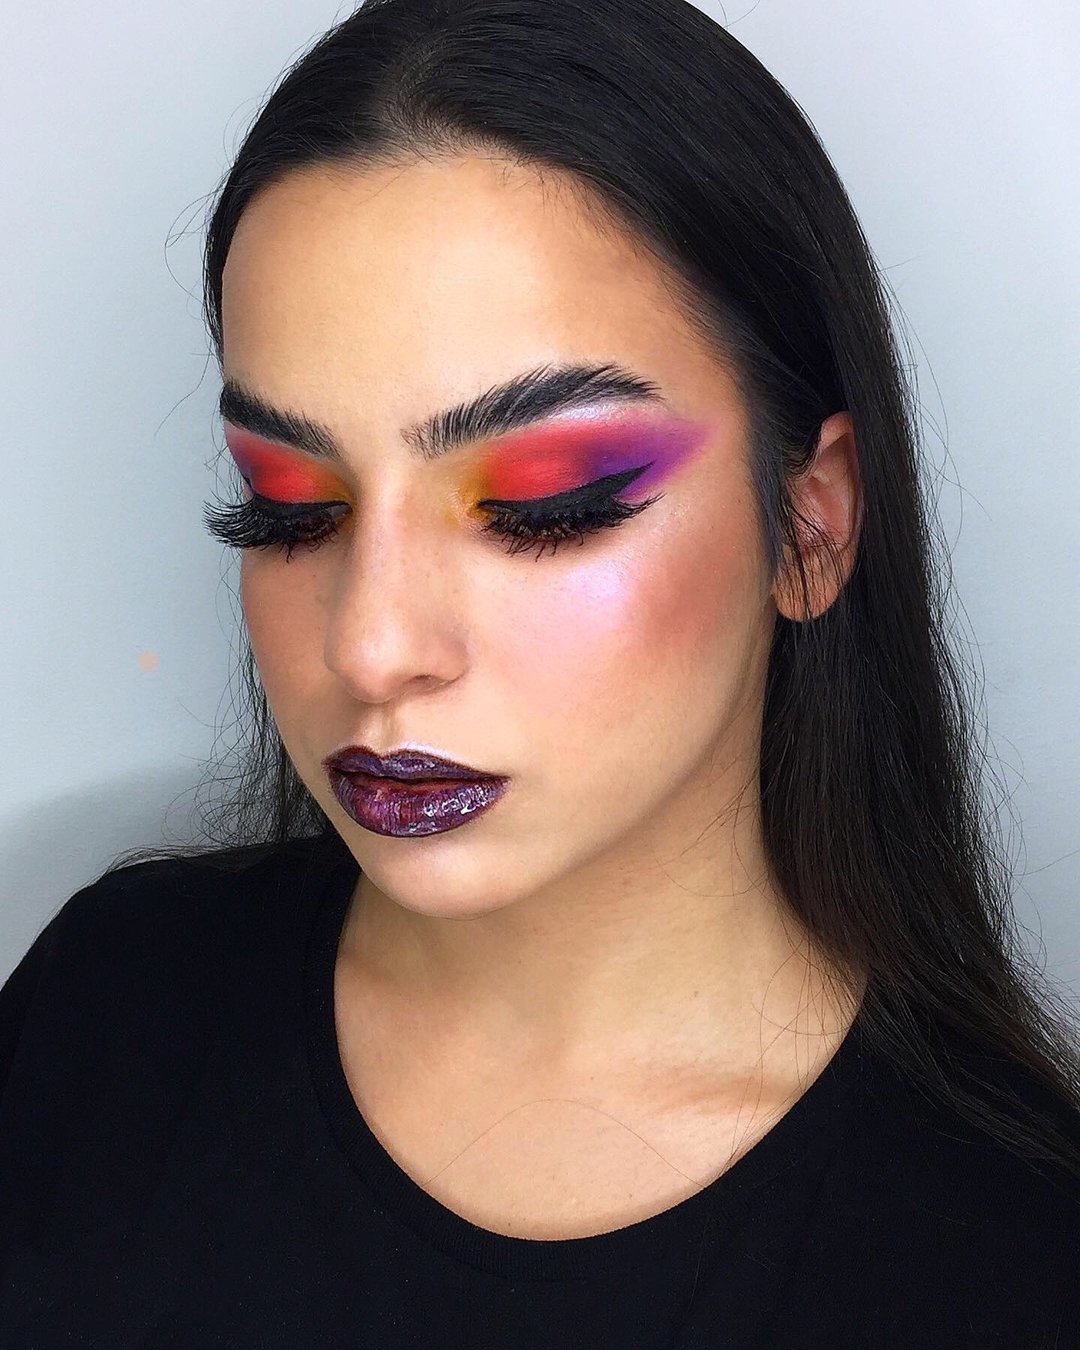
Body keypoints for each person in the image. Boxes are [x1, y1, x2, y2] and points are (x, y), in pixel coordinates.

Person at [2, 0, 1078, 1344]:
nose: (371, 645)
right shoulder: (106, 1011)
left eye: (543, 506)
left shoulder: (1014, 1262)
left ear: (811, 522)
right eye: (292, 506)